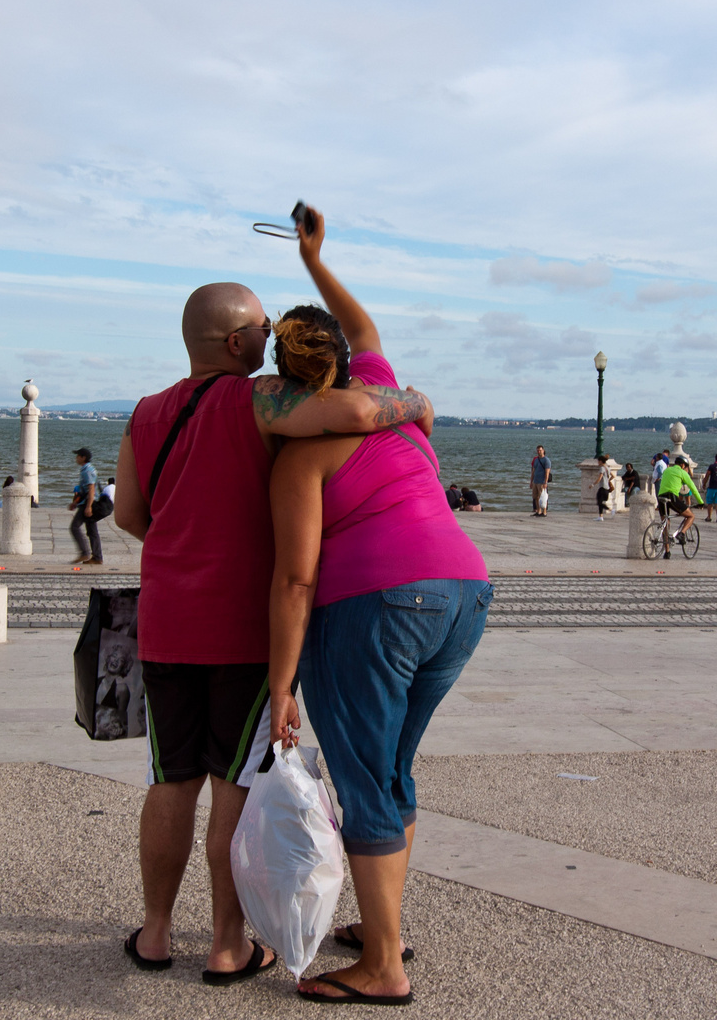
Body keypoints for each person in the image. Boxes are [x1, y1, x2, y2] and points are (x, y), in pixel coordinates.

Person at [112, 250, 434, 979]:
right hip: (237, 629)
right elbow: (354, 408)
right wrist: (413, 403)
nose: (269, 338)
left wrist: (185, 546)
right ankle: (228, 946)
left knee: (169, 780)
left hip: (165, 621)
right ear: (235, 343)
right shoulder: (256, 398)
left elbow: (131, 513)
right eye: (261, 328)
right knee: (233, 784)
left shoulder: (144, 411)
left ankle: (156, 933)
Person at [265, 207, 490, 1004]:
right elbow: (365, 326)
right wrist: (315, 260)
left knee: (362, 775)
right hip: (465, 592)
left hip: (380, 602)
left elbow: (294, 582)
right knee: (392, 767)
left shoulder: (300, 456)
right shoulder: (383, 393)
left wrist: (281, 683)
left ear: (285, 381)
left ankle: (383, 965)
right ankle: (378, 918)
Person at [656, 454, 704, 558]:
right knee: (691, 516)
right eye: (686, 467)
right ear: (682, 465)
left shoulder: (667, 470)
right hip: (671, 497)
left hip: (660, 497)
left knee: (665, 524)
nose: (686, 469)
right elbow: (693, 488)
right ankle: (681, 533)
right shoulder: (682, 472)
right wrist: (701, 502)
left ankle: (667, 552)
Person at [69, 448, 103, 565]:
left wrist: (88, 507)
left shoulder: (87, 470)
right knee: (92, 531)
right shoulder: (87, 469)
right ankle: (97, 557)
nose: (76, 458)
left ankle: (85, 553)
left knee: (74, 527)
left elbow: (91, 488)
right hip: (87, 502)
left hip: (88, 503)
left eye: (78, 456)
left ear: (83, 457)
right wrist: (75, 503)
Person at [530, 446, 552, 516]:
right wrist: (531, 481)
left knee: (543, 496)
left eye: (540, 450)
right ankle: (538, 511)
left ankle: (544, 511)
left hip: (541, 481)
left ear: (543, 451)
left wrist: (545, 482)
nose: (539, 452)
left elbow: (547, 472)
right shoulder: (536, 460)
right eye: (538, 450)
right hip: (535, 481)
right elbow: (533, 471)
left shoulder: (546, 460)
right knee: (536, 496)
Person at [595, 453, 616, 520]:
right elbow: (613, 476)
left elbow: (600, 478)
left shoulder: (602, 468)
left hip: (602, 487)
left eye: (598, 461)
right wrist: (608, 480)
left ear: (601, 461)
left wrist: (593, 484)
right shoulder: (607, 467)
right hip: (607, 488)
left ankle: (611, 510)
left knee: (599, 502)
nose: (598, 462)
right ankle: (600, 516)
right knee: (600, 502)